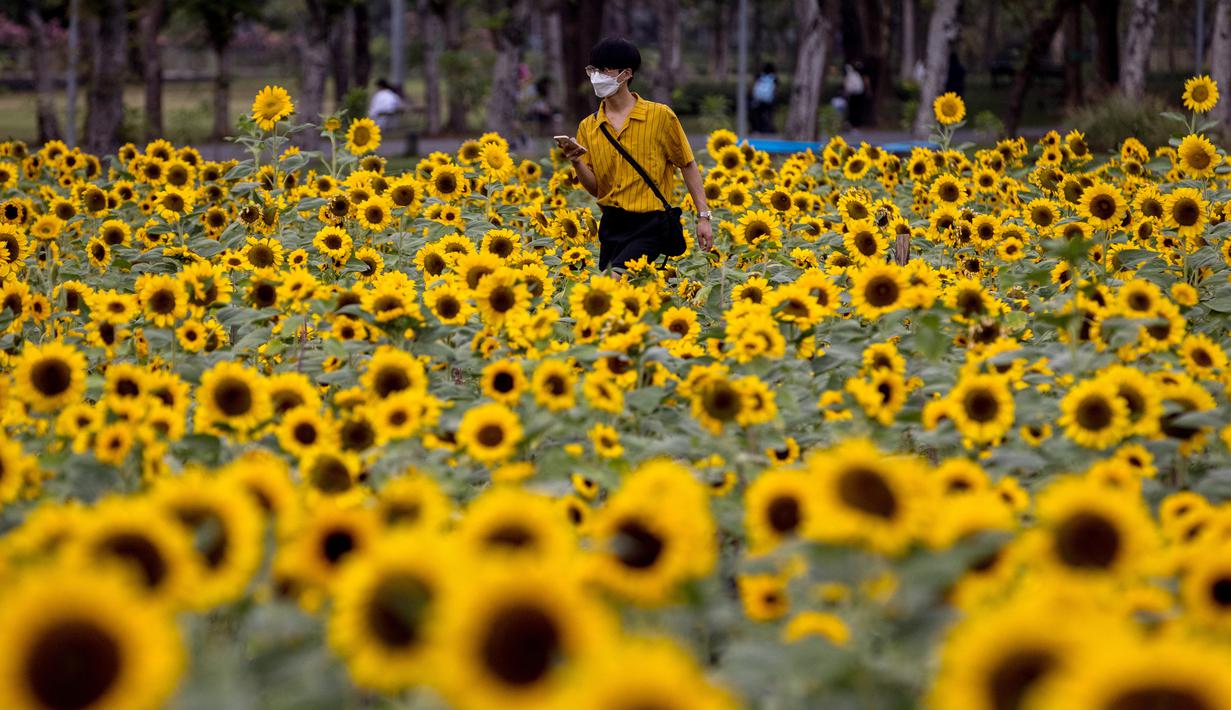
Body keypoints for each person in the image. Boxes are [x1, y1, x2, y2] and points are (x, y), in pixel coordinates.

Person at [556, 37, 712, 272]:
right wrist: (576, 161)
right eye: (593, 70)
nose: (597, 77)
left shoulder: (660, 117)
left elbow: (687, 165)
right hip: (611, 224)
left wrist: (704, 217)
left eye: (605, 70)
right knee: (627, 300)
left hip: (650, 223)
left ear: (626, 73)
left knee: (614, 283)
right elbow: (597, 188)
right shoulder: (588, 126)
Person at [750, 63, 777, 134]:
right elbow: (775, 91)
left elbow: (754, 88)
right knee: (768, 115)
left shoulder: (759, 76)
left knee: (758, 115)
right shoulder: (774, 78)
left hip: (758, 100)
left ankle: (757, 129)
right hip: (769, 101)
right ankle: (767, 129)